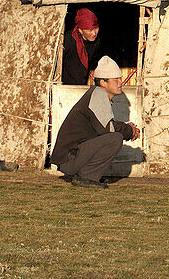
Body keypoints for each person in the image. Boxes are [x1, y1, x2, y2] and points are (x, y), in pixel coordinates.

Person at [51, 56, 140, 189]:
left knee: (113, 136)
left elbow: (103, 127)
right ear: (103, 83)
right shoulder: (98, 94)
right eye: (115, 79)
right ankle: (86, 177)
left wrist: (126, 128)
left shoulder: (96, 94)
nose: (120, 82)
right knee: (115, 138)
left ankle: (89, 174)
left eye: (120, 78)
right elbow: (108, 129)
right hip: (69, 158)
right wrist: (129, 130)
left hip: (71, 156)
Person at [62, 7, 102, 84]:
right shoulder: (67, 40)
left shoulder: (96, 42)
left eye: (96, 28)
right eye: (90, 30)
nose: (94, 33)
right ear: (80, 30)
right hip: (65, 86)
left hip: (81, 84)